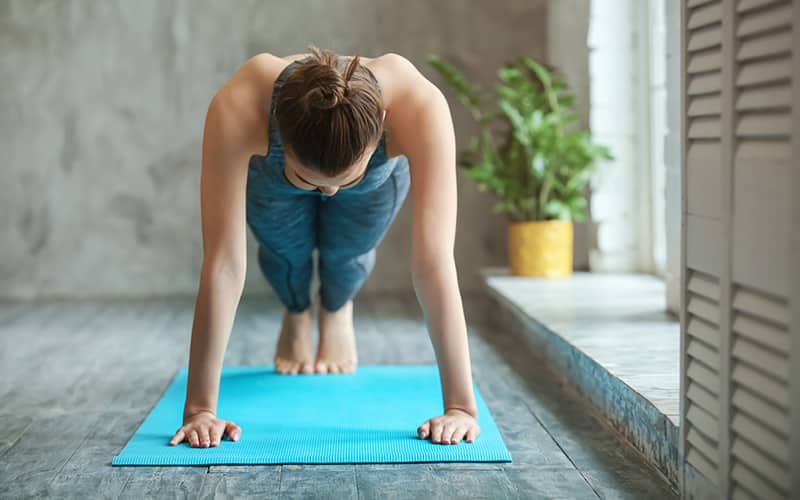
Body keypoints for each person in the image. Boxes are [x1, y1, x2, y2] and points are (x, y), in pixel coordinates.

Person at [168, 45, 480, 449]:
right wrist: (200, 411)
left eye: (342, 181)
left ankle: (336, 307)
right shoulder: (240, 105)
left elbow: (434, 264)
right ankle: (296, 309)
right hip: (272, 181)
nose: (330, 192)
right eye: (311, 179)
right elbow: (224, 264)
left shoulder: (418, 105)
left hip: (377, 183)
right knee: (285, 252)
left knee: (347, 251)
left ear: (384, 123)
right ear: (276, 126)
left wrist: (460, 407)